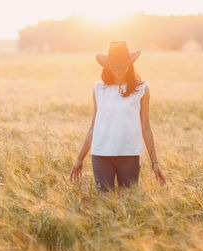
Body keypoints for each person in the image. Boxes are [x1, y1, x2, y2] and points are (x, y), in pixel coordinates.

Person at [70, 41, 166, 192]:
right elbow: (93, 127)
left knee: (128, 203)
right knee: (104, 203)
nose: (118, 70)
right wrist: (79, 159)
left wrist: (155, 163)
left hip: (128, 154)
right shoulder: (99, 89)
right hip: (101, 154)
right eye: (114, 66)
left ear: (129, 64)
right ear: (108, 67)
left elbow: (146, 128)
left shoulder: (141, 89)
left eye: (122, 65)